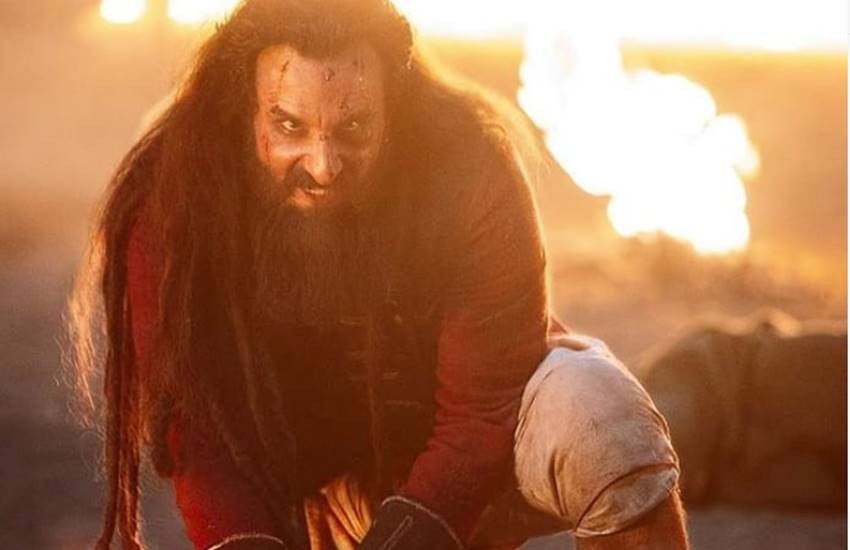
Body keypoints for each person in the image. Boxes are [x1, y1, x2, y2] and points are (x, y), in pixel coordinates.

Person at [69, 0, 688, 548]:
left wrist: (404, 530)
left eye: (354, 129)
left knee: (601, 420)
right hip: (292, 486)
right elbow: (197, 438)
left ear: (396, 110)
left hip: (468, 454)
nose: (323, 165)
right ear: (244, 109)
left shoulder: (469, 169)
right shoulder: (173, 196)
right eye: (289, 127)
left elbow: (482, 411)